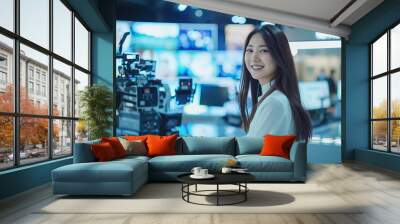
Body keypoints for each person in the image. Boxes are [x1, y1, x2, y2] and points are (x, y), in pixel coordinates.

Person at [238, 25, 312, 141]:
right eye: (250, 50)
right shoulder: (275, 98)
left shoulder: (274, 103)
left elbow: (251, 155)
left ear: (280, 56)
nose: (254, 58)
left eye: (263, 50)